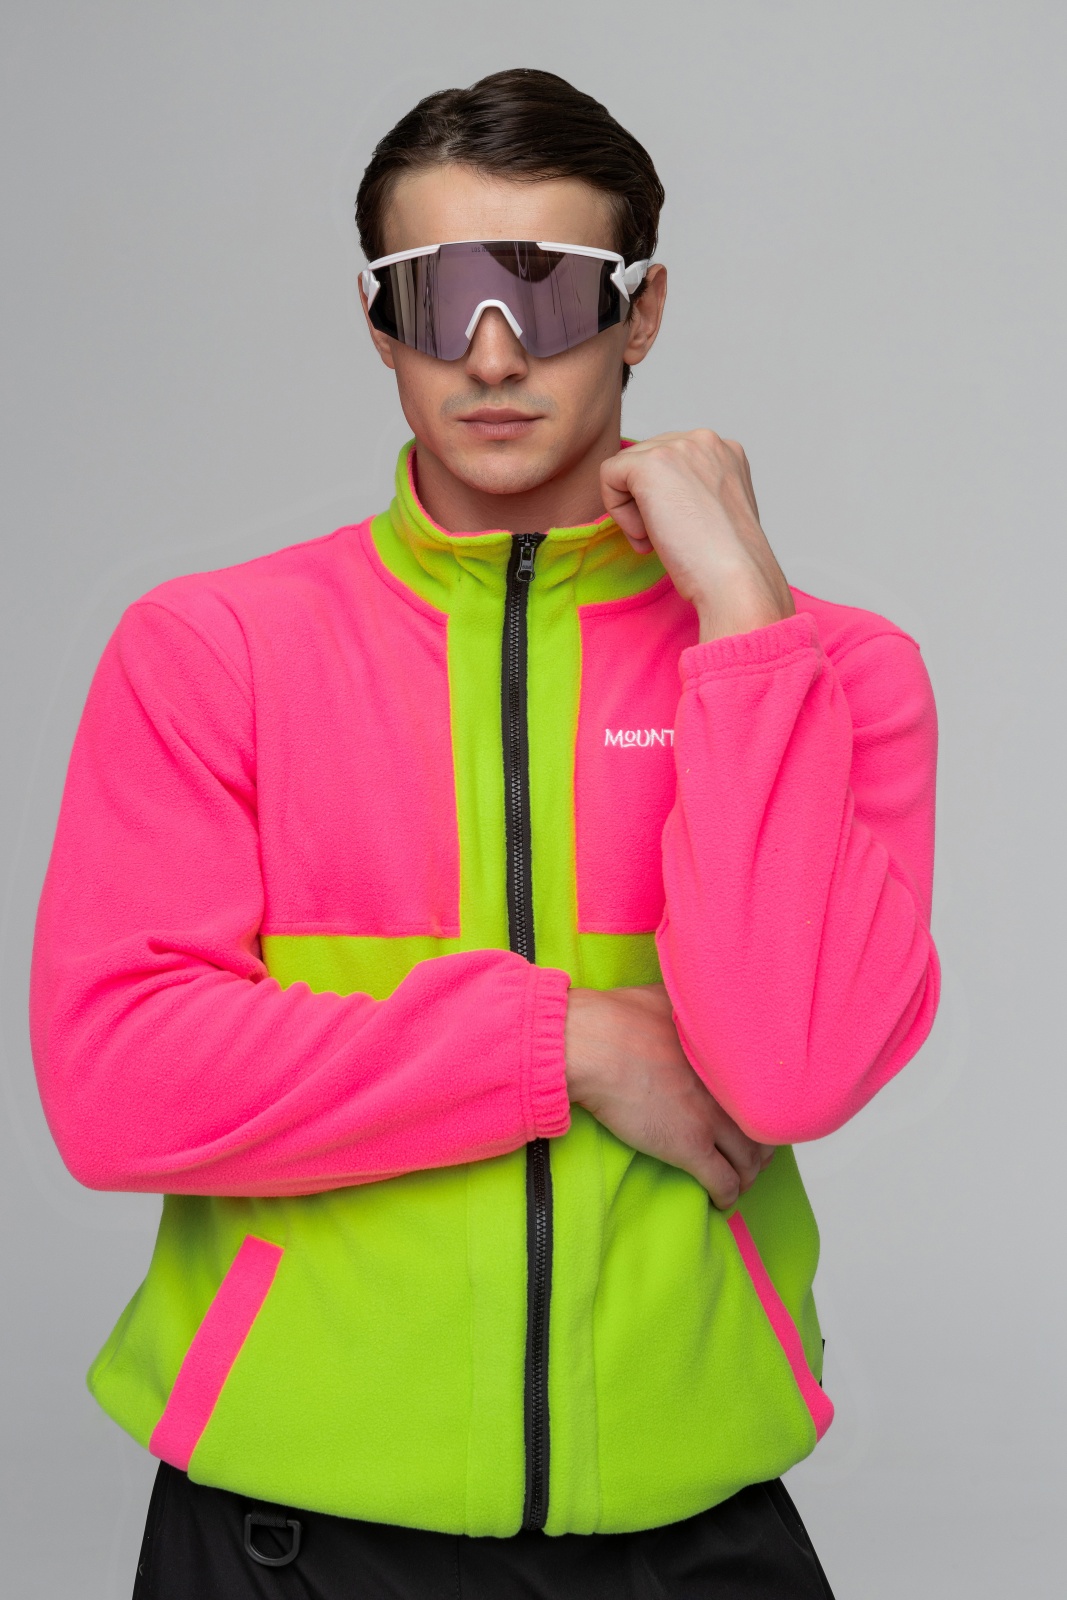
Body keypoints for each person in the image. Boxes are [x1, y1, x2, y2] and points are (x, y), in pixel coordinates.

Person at [30, 67, 939, 1600]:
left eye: (552, 289)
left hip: (691, 1532)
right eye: (439, 296)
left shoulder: (828, 672)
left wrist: (742, 616)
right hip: (281, 1539)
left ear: (642, 313)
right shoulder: (214, 652)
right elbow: (117, 1082)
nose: (495, 353)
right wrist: (561, 1042)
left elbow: (794, 1070)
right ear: (378, 321)